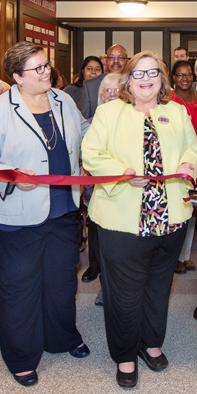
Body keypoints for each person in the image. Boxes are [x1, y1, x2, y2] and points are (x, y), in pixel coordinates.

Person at [0, 42, 90, 387]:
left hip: (63, 208)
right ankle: (21, 356)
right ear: (17, 77)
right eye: (36, 69)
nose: (45, 72)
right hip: (13, 215)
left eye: (46, 65)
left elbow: (85, 136)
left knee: (62, 281)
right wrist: (12, 178)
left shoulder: (63, 100)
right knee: (20, 287)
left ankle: (61, 338)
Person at [81, 52, 197, 388]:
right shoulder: (109, 113)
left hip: (170, 218)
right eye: (138, 73)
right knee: (124, 292)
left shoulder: (176, 111)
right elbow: (91, 154)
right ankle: (124, 356)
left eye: (153, 72)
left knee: (158, 287)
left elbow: (195, 148)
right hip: (122, 220)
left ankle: (151, 344)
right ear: (127, 80)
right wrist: (121, 174)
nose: (146, 78)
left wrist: (188, 165)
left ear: (162, 78)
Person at [80, 72, 123, 285]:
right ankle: (94, 265)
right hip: (95, 187)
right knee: (94, 227)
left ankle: (109, 275)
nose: (113, 94)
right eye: (108, 90)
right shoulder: (90, 121)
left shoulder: (129, 120)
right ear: (101, 95)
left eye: (117, 90)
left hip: (121, 188)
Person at [168, 58, 197, 275]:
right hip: (176, 163)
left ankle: (186, 256)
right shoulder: (168, 100)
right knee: (177, 206)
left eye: (188, 75)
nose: (184, 79)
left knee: (191, 208)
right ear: (173, 78)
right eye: (180, 75)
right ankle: (173, 256)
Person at [80, 45, 129, 119]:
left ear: (127, 61)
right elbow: (84, 122)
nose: (116, 61)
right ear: (107, 61)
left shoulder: (135, 83)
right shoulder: (90, 86)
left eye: (121, 57)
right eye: (111, 57)